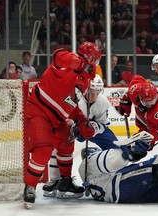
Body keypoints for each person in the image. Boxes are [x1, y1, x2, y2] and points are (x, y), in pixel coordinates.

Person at [23, 42, 102, 208]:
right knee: (43, 149)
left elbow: (69, 103)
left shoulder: (85, 79)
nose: (95, 64)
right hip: (40, 110)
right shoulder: (70, 62)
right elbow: (59, 55)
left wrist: (81, 120)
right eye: (95, 60)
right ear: (89, 58)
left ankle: (65, 181)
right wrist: (80, 63)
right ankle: (30, 186)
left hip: (58, 117)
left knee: (68, 139)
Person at [42, 74, 118, 198]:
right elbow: (63, 119)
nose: (94, 96)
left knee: (115, 147)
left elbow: (104, 124)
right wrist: (74, 128)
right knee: (59, 146)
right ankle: (56, 179)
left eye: (97, 93)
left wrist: (93, 128)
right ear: (86, 89)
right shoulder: (74, 99)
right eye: (92, 92)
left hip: (93, 130)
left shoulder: (103, 102)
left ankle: (111, 173)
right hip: (75, 128)